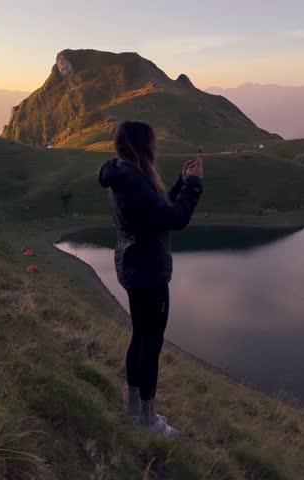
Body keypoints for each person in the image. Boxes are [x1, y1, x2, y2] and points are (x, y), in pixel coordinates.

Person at [98, 121, 203, 437]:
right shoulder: (134, 180)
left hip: (132, 267)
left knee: (140, 337)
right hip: (148, 273)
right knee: (150, 343)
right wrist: (195, 186)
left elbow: (155, 212)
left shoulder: (123, 174)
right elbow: (175, 219)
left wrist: (180, 182)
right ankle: (147, 421)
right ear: (144, 146)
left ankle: (134, 411)